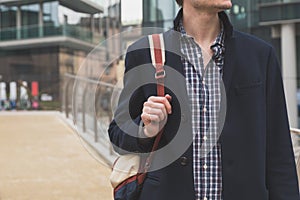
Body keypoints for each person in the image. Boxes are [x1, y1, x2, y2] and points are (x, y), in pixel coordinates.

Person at [108, 0, 300, 199]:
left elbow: (279, 153)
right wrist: (146, 129)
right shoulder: (144, 53)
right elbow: (117, 134)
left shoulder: (260, 55)